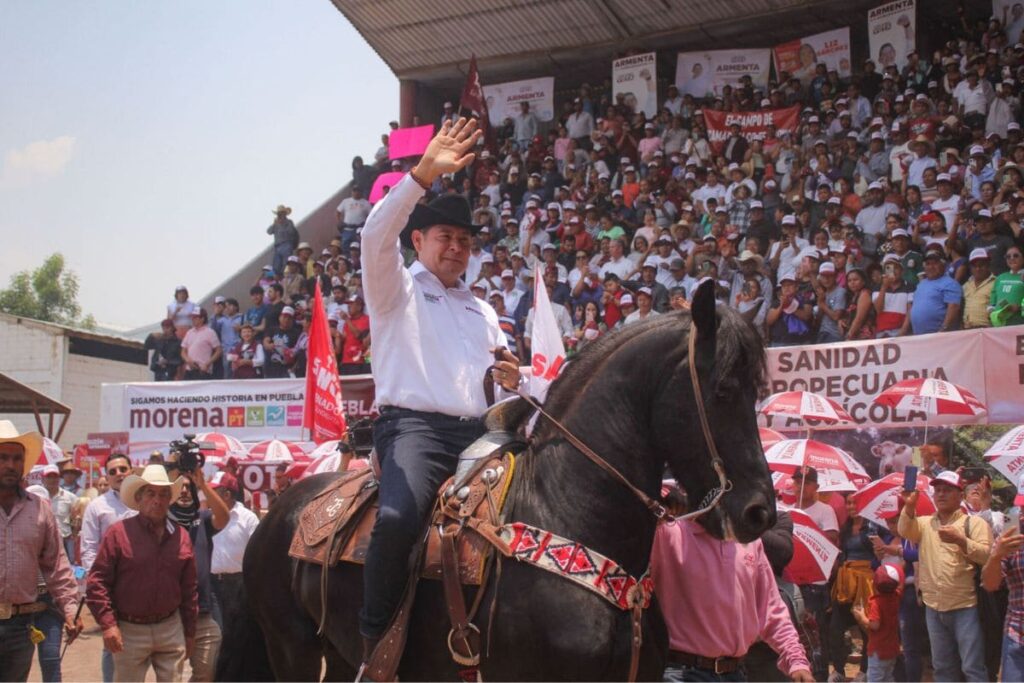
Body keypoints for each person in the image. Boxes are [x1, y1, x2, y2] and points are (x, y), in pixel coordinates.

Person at [357, 118, 522, 665]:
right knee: (401, 519)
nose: (456, 248)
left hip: (482, 434)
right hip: (414, 431)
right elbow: (372, 237)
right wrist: (423, 173)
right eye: (445, 238)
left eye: (465, 240)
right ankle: (374, 645)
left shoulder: (483, 311)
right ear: (418, 240)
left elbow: (507, 376)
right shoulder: (394, 288)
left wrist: (517, 378)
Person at [650, 487, 813, 682]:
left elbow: (771, 609)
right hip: (683, 673)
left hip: (736, 673)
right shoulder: (668, 534)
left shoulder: (750, 542)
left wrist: (795, 660)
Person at [86, 465, 198, 683]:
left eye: (164, 494)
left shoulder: (181, 536)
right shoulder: (118, 534)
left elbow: (189, 589)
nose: (157, 500)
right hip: (129, 629)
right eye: (151, 493)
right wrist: (109, 625)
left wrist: (190, 632)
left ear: (169, 499)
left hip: (170, 626)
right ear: (139, 498)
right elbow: (97, 581)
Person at [0, 421, 83, 683]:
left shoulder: (39, 509)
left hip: (20, 625)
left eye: (16, 458)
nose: (11, 465)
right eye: (2, 457)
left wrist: (70, 609)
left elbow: (56, 565)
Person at [899, 471, 991, 682]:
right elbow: (905, 530)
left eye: (947, 490)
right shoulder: (924, 523)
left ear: (960, 495)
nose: (941, 494)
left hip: (965, 606)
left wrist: (961, 540)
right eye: (938, 490)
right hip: (934, 607)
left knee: (972, 668)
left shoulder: (974, 524)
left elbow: (987, 555)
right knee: (942, 668)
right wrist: (909, 505)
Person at [164, 457, 229, 683]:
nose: (183, 492)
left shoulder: (201, 519)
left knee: (207, 672)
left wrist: (202, 484)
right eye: (178, 488)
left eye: (187, 488)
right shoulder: (162, 521)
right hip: (169, 614)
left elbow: (224, 517)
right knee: (171, 676)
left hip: (203, 611)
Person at [79, 453, 138, 683]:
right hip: (112, 587)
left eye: (123, 469)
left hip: (143, 585)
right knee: (111, 642)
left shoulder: (144, 500)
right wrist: (99, 585)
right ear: (106, 476)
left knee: (144, 641)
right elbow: (88, 548)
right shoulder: (97, 507)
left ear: (131, 471)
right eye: (112, 471)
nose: (118, 474)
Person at [208, 472, 259, 682]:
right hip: (212, 587)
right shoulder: (207, 517)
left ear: (226, 494)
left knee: (236, 639)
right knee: (214, 638)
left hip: (239, 586)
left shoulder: (248, 519)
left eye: (214, 491)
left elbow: (258, 555)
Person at [981, 478, 1024, 682]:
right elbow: (990, 585)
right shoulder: (1010, 532)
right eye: (1022, 506)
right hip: (1018, 637)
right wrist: (996, 556)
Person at [851, 564, 905, 683]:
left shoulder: (877, 602)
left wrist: (862, 617)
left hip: (878, 650)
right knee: (888, 677)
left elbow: (875, 625)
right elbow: (901, 585)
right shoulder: (896, 597)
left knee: (875, 679)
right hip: (892, 649)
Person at [909, 248, 961, 334]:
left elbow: (953, 308)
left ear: (944, 265)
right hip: (918, 336)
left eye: (935, 263)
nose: (931, 267)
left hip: (940, 336)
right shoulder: (921, 284)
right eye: (928, 264)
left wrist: (943, 330)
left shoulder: (950, 283)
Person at [40, 464, 78, 563]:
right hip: (44, 543)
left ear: (59, 478)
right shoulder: (37, 498)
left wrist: (73, 531)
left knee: (69, 568)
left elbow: (76, 519)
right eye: (49, 477)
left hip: (65, 541)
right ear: (43, 479)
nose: (52, 480)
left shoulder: (70, 498)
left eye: (55, 477)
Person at [181, 308, 222, 380]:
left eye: (195, 318)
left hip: (203, 370)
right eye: (192, 317)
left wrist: (208, 363)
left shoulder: (210, 332)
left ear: (202, 319)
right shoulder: (189, 332)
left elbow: (218, 350)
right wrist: (187, 360)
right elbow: (183, 351)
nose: (192, 319)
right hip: (189, 369)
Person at [962, 249, 996, 328]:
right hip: (967, 329)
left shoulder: (997, 283)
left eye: (981, 265)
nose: (978, 269)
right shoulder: (966, 285)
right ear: (970, 268)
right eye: (974, 266)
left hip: (988, 329)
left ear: (988, 265)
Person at [267, 205, 299, 277]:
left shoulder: (289, 222)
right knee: (276, 266)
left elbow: (291, 232)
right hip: (277, 246)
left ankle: (285, 277)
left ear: (284, 214)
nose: (280, 215)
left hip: (286, 244)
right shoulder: (276, 223)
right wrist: (274, 223)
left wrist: (283, 224)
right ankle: (277, 278)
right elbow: (269, 231)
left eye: (281, 213)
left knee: (285, 264)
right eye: (279, 213)